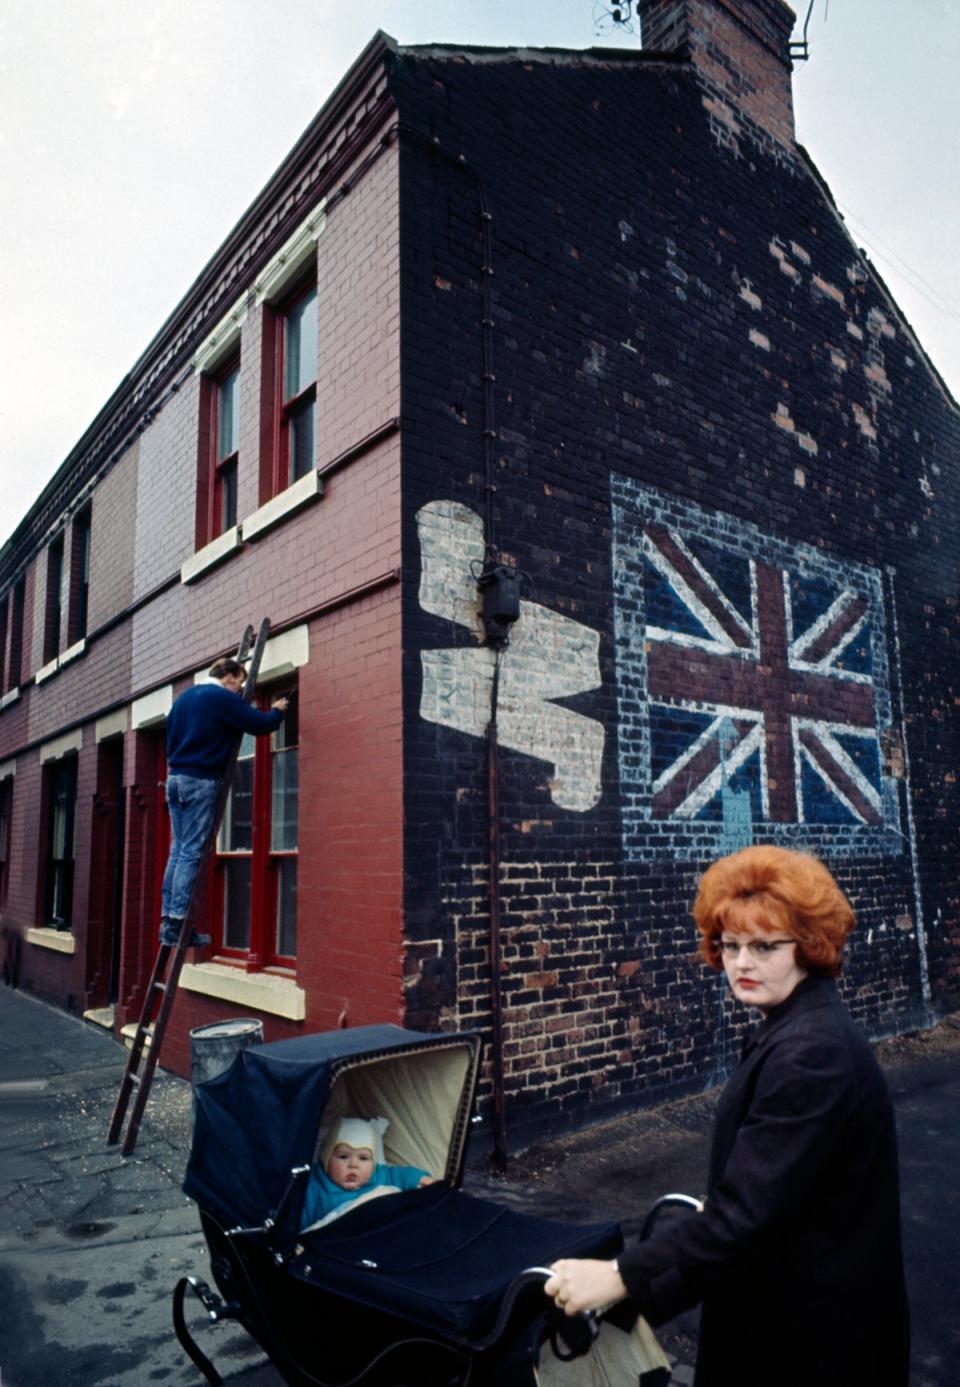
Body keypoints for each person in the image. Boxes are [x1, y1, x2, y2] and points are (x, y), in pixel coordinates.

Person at [545, 845, 910, 1387]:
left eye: (764, 946)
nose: (741, 963)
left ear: (808, 946)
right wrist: (643, 1301)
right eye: (731, 944)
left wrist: (620, 1277)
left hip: (810, 1344)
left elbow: (741, 1218)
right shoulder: (792, 1027)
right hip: (789, 1319)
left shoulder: (811, 1053)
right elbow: (760, 1207)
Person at [159, 657, 289, 947]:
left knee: (178, 850)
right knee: (192, 851)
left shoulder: (184, 698)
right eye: (239, 682)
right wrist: (278, 711)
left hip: (176, 779)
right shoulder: (220, 697)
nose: (240, 688)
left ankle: (168, 921)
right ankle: (179, 924)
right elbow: (259, 724)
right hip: (200, 781)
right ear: (228, 677)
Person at [300, 1117, 435, 1231]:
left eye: (363, 1158)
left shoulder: (378, 1175)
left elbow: (400, 1175)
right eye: (343, 1156)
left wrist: (419, 1179)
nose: (353, 1164)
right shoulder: (313, 1188)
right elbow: (297, 1222)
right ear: (326, 1158)